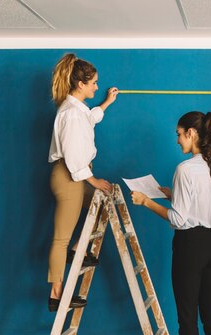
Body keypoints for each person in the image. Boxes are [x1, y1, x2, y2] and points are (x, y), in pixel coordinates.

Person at [131, 111, 211, 335]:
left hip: (190, 246)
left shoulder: (184, 169)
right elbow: (200, 205)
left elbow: (178, 219)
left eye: (179, 133)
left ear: (192, 134)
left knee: (187, 317)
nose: (177, 139)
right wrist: (172, 194)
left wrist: (146, 201)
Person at [46, 53, 118, 312]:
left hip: (74, 175)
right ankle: (57, 295)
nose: (97, 87)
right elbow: (75, 156)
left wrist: (107, 102)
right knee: (60, 239)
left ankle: (77, 249)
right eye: (94, 83)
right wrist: (94, 180)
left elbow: (91, 118)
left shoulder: (77, 110)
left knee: (101, 205)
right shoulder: (72, 115)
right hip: (70, 175)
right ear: (81, 85)